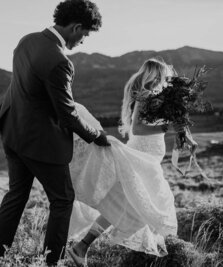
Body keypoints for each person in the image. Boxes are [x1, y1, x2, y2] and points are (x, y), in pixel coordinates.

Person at [0, 0, 106, 265]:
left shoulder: (26, 40)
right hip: (39, 143)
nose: (84, 40)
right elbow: (67, 114)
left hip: (12, 132)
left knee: (15, 196)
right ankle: (52, 263)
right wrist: (97, 135)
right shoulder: (59, 61)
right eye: (85, 34)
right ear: (76, 27)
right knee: (63, 200)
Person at [67, 58, 182, 266]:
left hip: (149, 159)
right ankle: (82, 246)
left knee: (131, 205)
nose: (167, 80)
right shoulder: (144, 96)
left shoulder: (156, 97)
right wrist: (168, 127)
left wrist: (182, 130)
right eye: (164, 75)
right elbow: (137, 128)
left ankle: (82, 247)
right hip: (140, 157)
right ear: (156, 75)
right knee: (140, 205)